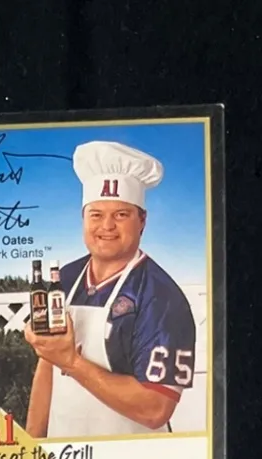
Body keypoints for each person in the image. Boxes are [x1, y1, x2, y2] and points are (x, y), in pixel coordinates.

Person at [25, 141, 198, 438]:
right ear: (82, 218)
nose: (107, 226)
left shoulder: (162, 298)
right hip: (65, 452)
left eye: (121, 215)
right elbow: (47, 369)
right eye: (96, 214)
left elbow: (155, 408)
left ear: (142, 221)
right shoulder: (64, 280)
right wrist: (32, 445)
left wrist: (72, 362)